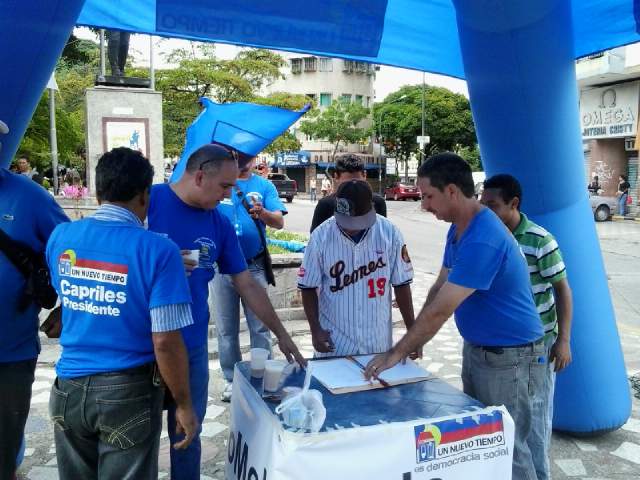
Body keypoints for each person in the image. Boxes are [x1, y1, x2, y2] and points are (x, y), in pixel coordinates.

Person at [364, 153, 545, 480]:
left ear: (451, 191)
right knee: (484, 442)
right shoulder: (459, 227)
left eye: (428, 197)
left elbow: (442, 308)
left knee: (509, 448)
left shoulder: (484, 237)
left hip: (510, 358)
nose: (424, 205)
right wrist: (413, 336)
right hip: (481, 350)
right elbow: (439, 286)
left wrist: (398, 350)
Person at [147, 143, 305, 479]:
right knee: (138, 440)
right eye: (225, 187)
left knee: (188, 432)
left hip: (189, 347)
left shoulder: (216, 222)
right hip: (141, 346)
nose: (228, 195)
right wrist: (161, 260)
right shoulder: (149, 201)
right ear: (201, 175)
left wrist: (281, 333)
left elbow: (247, 283)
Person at [45, 147, 198, 479]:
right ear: (145, 195)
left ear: (100, 190)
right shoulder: (159, 251)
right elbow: (165, 341)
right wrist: (184, 404)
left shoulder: (61, 237)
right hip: (127, 395)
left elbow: (69, 297)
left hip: (67, 389)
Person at [482, 173, 573, 480]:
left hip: (538, 346)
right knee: (503, 419)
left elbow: (562, 290)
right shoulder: (486, 235)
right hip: (499, 348)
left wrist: (563, 341)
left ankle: (540, 475)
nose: (485, 211)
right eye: (483, 204)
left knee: (534, 419)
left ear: (514, 204)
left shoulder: (539, 240)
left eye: (492, 205)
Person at [0, 163, 68, 480]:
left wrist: (67, 307)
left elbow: (72, 249)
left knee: (3, 452)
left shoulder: (30, 197)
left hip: (11, 352)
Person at [299, 180, 417, 358]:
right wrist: (315, 329)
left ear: (371, 208)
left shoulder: (390, 233)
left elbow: (401, 284)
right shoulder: (320, 237)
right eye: (346, 221)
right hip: (336, 345)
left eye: (357, 222)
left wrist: (412, 333)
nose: (351, 227)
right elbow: (307, 286)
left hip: (377, 345)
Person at [213, 154, 287, 401]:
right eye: (238, 156)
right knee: (226, 329)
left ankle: (264, 376)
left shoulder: (264, 186)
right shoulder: (219, 183)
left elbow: (278, 222)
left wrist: (263, 212)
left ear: (256, 158)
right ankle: (231, 379)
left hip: (253, 266)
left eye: (249, 156)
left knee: (260, 326)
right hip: (221, 269)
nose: (244, 160)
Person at [310, 154, 387, 232]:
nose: (352, 187)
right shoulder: (325, 205)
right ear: (336, 177)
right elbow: (316, 238)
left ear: (364, 175)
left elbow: (382, 234)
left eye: (357, 182)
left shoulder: (378, 203)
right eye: (347, 183)